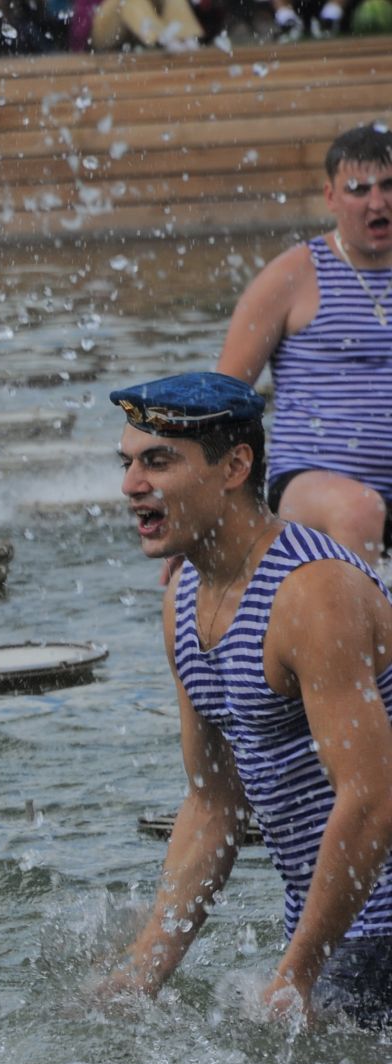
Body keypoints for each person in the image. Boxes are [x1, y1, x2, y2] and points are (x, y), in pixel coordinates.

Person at [103, 371, 392, 1026]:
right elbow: (214, 800)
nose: (130, 486)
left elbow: (374, 797)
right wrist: (140, 971)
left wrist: (297, 973)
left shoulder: (313, 594)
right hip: (337, 933)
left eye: (157, 461)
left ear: (235, 465)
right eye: (127, 464)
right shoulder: (182, 598)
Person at [217, 123, 392, 563]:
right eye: (359, 189)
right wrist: (201, 518)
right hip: (309, 484)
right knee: (359, 508)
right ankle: (358, 632)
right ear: (331, 197)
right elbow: (223, 402)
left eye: (388, 185)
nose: (378, 202)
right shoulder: (291, 276)